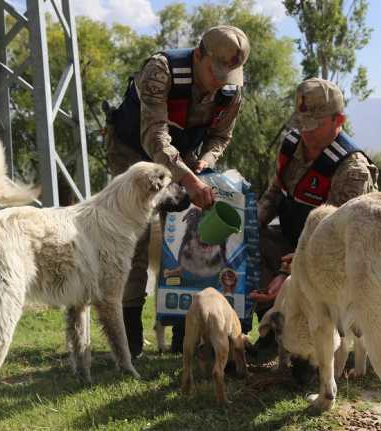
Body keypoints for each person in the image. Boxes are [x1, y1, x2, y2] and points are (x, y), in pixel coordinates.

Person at [105, 25, 251, 358]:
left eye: (228, 75)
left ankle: (185, 331)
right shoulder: (161, 71)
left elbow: (220, 137)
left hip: (183, 156)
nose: (220, 82)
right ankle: (129, 340)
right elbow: (154, 138)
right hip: (133, 152)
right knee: (137, 239)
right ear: (199, 55)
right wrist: (187, 178)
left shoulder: (231, 88)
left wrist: (203, 163)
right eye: (216, 73)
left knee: (192, 234)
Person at [251, 78, 379, 351]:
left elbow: (337, 241)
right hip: (294, 241)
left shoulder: (352, 169)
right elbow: (275, 193)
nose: (306, 132)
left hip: (333, 257)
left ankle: (310, 347)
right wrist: (250, 227)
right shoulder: (291, 145)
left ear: (338, 120)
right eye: (301, 122)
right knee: (249, 244)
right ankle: (271, 332)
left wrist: (289, 272)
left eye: (315, 124)